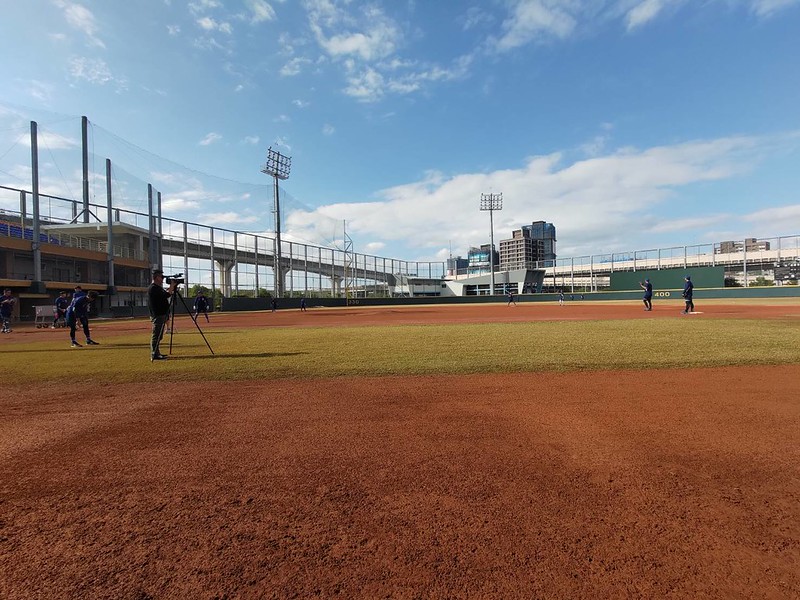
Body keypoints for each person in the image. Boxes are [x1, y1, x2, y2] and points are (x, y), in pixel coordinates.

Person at [148, 269, 178, 361]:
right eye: (161, 277)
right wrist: (172, 286)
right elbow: (167, 295)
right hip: (158, 314)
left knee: (159, 335)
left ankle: (157, 353)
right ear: (156, 277)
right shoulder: (153, 288)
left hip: (161, 314)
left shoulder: (158, 288)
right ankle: (154, 354)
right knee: (156, 335)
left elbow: (166, 295)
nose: (163, 279)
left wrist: (171, 288)